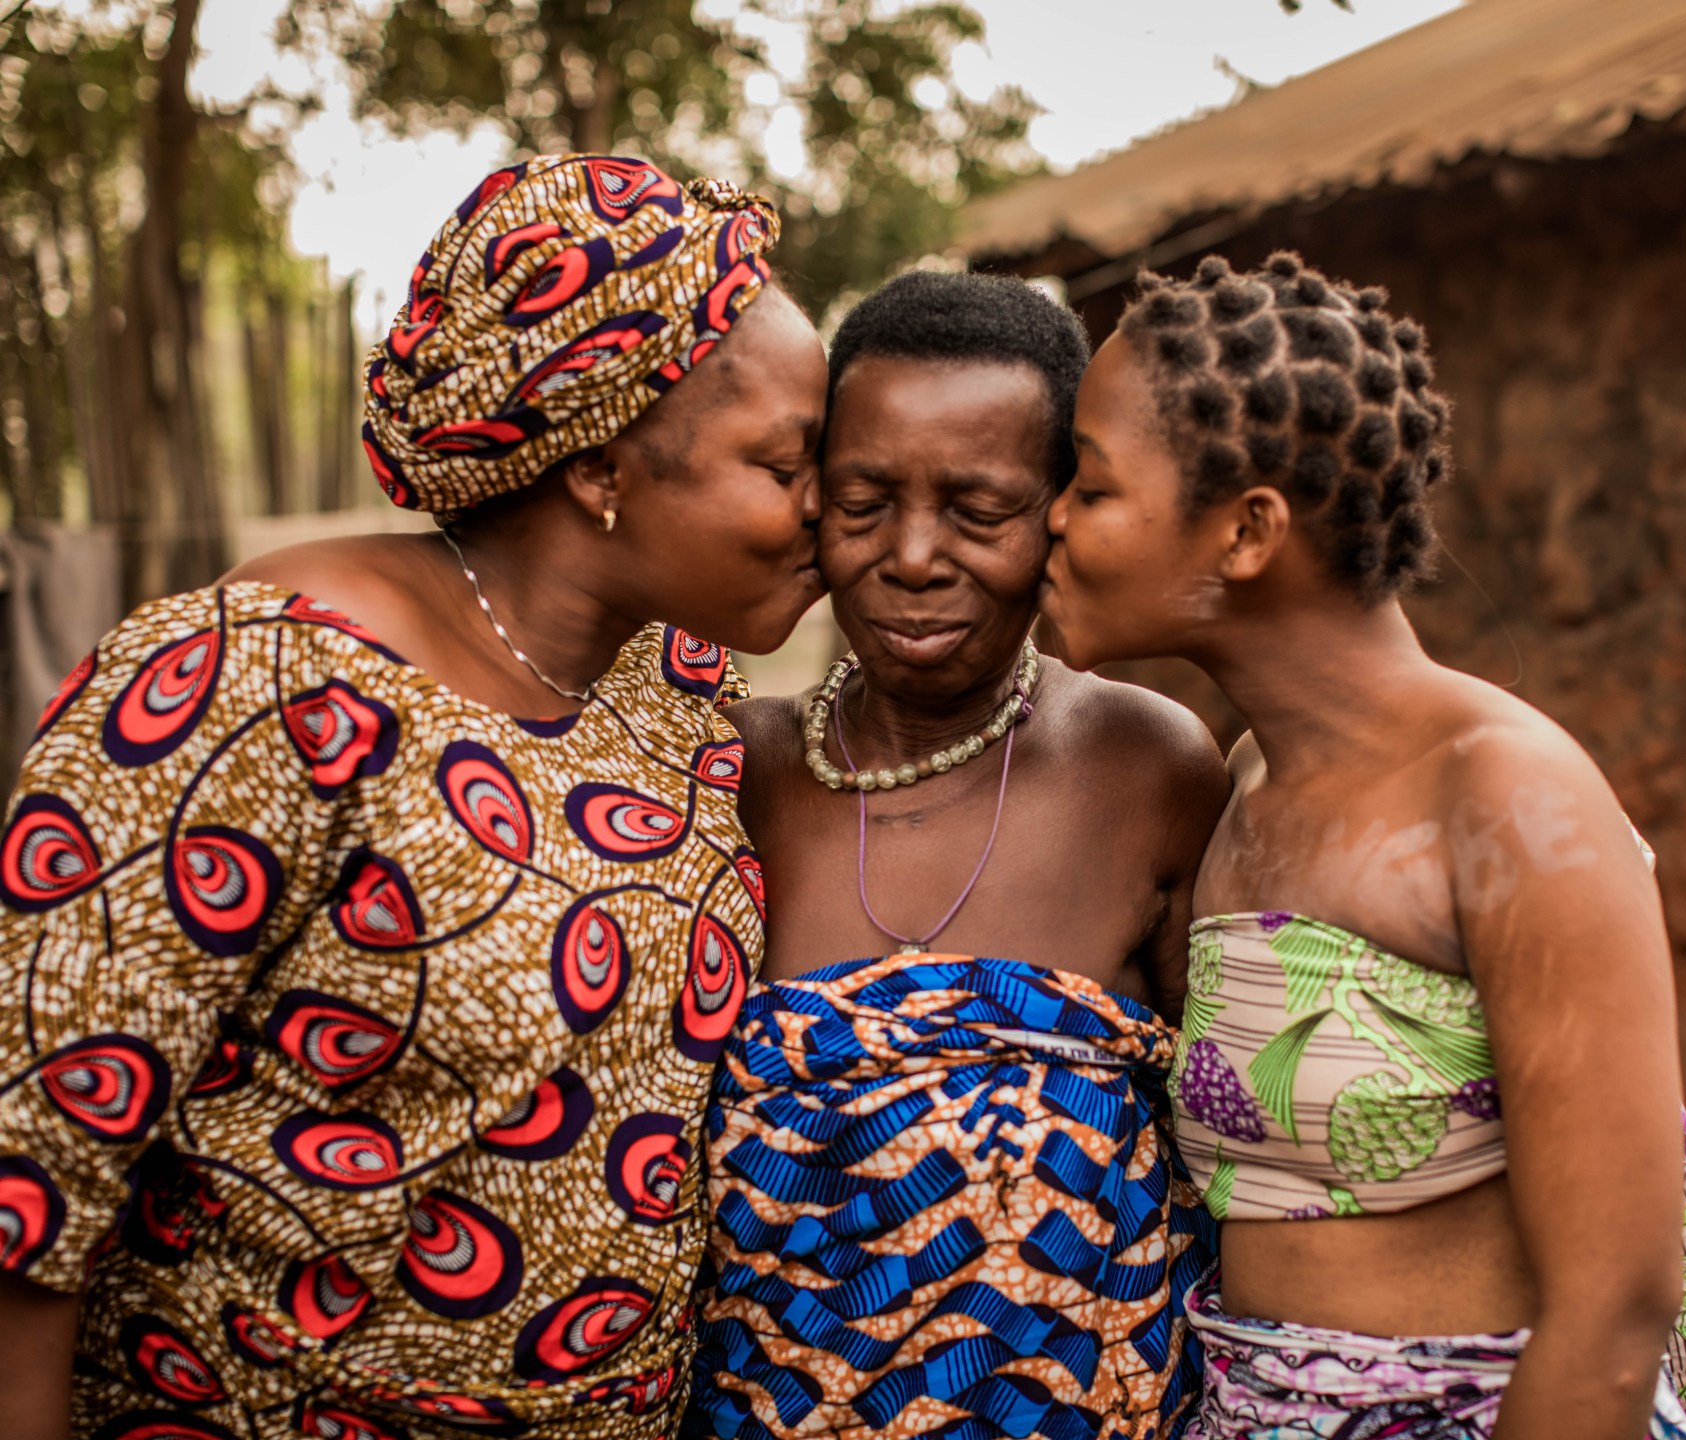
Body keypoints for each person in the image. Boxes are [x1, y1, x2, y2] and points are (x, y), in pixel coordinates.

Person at [0, 153, 827, 1440]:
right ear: (602, 468)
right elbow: (30, 1167)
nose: (834, 510)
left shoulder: (675, 684)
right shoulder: (254, 682)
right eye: (787, 466)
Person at [1039, 252, 1686, 1440]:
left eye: (1090, 488)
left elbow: (1614, 1309)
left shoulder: (1505, 796)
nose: (1050, 516)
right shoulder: (1247, 781)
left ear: (1248, 530)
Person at [685, 270, 1227, 1440]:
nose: (914, 556)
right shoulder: (729, 774)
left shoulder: (1150, 769)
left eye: (979, 512)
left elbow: (1233, 1154)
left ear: (1059, 513)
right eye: (864, 500)